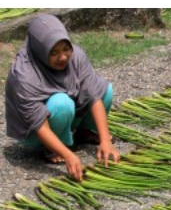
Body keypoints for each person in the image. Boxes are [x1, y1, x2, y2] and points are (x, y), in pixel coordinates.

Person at [5, 13, 120, 181]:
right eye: (54, 52)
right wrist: (68, 156)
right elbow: (40, 126)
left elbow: (94, 96)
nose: (63, 57)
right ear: (40, 50)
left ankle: (83, 133)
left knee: (105, 91)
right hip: (36, 130)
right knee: (62, 104)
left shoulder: (76, 56)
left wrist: (105, 140)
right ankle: (52, 148)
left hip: (65, 116)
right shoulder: (24, 75)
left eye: (66, 49)